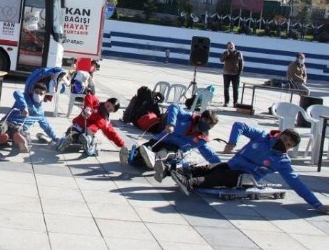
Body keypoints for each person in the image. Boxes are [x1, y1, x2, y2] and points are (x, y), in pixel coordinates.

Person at [171, 122, 329, 214]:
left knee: (218, 177)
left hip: (245, 177)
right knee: (210, 168)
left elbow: (296, 183)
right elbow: (239, 125)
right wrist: (232, 142)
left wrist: (317, 204)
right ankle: (174, 170)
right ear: (280, 134)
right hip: (232, 164)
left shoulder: (282, 161)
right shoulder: (261, 137)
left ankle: (190, 182)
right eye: (285, 139)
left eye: (288, 145)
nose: (285, 144)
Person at [138, 105, 220, 175]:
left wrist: (220, 166)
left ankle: (155, 158)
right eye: (206, 121)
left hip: (174, 150)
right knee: (147, 146)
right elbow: (174, 106)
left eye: (210, 124)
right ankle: (134, 154)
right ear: (201, 117)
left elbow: (209, 153)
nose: (207, 125)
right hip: (162, 139)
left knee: (167, 151)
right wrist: (171, 124)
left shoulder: (202, 139)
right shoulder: (188, 117)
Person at [0, 82, 58, 152]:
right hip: (7, 121)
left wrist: (55, 137)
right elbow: (17, 93)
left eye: (41, 93)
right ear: (32, 91)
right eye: (36, 92)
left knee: (18, 131)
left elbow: (46, 127)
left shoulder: (40, 112)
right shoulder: (25, 97)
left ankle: (18, 141)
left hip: (20, 126)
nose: (38, 95)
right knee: (1, 126)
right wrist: (24, 107)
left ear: (44, 96)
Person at [56, 94, 128, 160]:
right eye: (108, 106)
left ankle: (81, 139)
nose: (107, 109)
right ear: (106, 102)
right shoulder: (96, 103)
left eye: (110, 110)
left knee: (87, 132)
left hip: (88, 131)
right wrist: (88, 107)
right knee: (75, 131)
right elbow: (89, 96)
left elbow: (112, 134)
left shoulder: (105, 120)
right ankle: (72, 138)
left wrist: (122, 145)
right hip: (78, 125)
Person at [220, 41, 244, 107]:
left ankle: (235, 102)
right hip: (226, 73)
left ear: (234, 46)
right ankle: (226, 102)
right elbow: (221, 60)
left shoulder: (238, 53)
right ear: (227, 46)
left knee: (235, 89)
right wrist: (227, 54)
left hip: (235, 74)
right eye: (229, 45)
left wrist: (239, 72)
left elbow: (241, 63)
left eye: (231, 45)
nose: (230, 46)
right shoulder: (225, 52)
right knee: (226, 88)